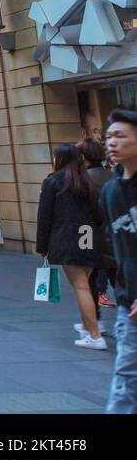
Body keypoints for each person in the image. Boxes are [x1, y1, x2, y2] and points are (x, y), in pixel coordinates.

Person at [37, 143, 106, 349]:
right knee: (85, 284)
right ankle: (87, 328)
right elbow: (99, 215)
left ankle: (95, 335)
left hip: (67, 239)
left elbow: (44, 215)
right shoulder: (88, 182)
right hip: (90, 238)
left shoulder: (54, 181)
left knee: (81, 287)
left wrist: (42, 245)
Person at [101, 109, 137, 413]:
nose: (112, 141)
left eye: (120, 136)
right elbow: (117, 246)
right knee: (127, 375)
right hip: (130, 304)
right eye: (108, 136)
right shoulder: (110, 191)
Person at [80, 137, 118, 309]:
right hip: (115, 236)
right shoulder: (113, 177)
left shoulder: (82, 180)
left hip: (89, 236)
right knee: (119, 280)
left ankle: (94, 326)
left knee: (90, 283)